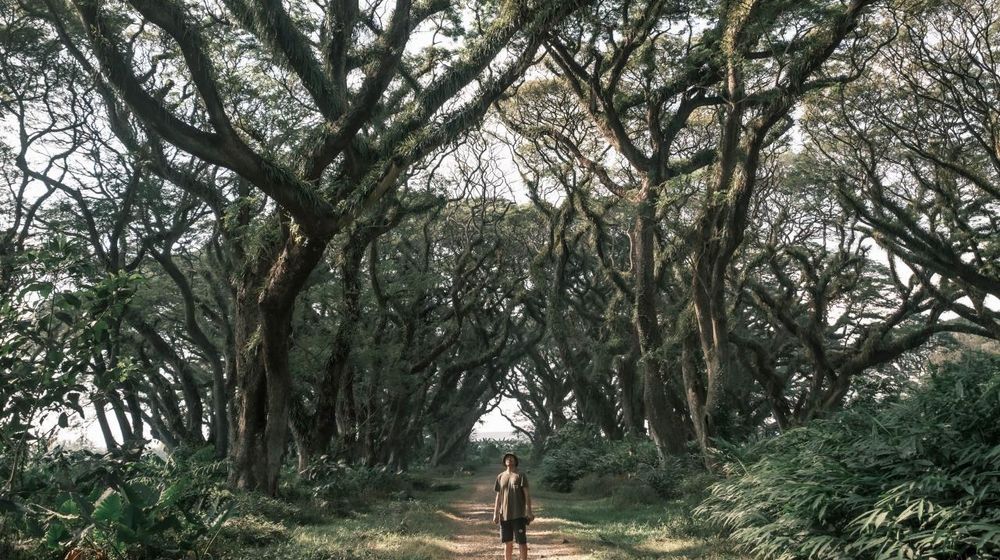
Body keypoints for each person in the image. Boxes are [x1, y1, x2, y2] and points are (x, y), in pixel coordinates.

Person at [493, 452, 535, 560]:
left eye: (512, 458)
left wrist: (529, 511)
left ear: (516, 461)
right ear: (504, 462)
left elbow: (527, 494)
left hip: (519, 515)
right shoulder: (500, 476)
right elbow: (498, 496)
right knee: (507, 543)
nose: (509, 459)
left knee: (521, 542)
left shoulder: (521, 475)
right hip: (504, 516)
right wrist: (496, 513)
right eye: (507, 458)